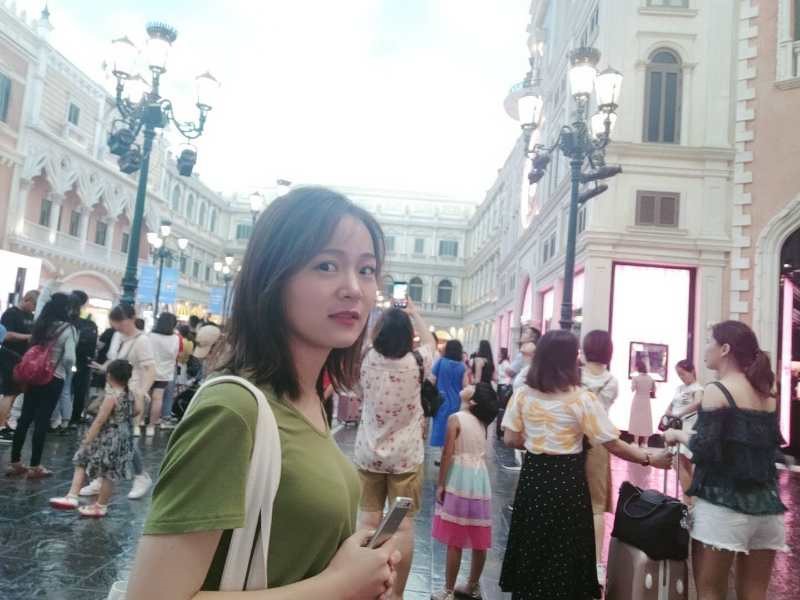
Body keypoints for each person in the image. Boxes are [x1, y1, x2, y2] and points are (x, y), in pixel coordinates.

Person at [126, 187, 401, 599]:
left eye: (366, 270)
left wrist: (354, 562)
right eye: (326, 265)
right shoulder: (232, 410)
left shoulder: (310, 399)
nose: (354, 288)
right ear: (272, 278)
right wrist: (343, 584)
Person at [500, 330, 672, 600]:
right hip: (568, 481)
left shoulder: (523, 395)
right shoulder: (581, 399)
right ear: (570, 359)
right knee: (565, 547)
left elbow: (510, 438)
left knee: (532, 543)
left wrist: (538, 440)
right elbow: (612, 443)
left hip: (534, 479)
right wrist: (649, 458)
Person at [664, 321, 787, 600]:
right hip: (767, 509)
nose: (705, 348)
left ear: (725, 349)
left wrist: (677, 434)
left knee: (710, 591)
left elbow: (705, 449)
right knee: (754, 593)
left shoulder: (717, 390)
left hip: (723, 507)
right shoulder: (767, 391)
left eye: (710, 341)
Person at [355, 300, 436, 600]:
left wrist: (375, 314)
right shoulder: (417, 362)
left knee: (367, 522)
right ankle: (397, 594)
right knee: (402, 527)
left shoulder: (365, 356)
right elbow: (430, 343)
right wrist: (414, 314)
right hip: (406, 458)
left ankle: (364, 588)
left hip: (368, 454)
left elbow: (363, 338)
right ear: (407, 336)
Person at [431, 383, 498, 600]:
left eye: (473, 387)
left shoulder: (456, 418)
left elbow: (447, 454)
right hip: (479, 480)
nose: (468, 385)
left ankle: (448, 590)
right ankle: (472, 586)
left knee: (455, 537)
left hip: (459, 479)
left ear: (473, 400)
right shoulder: (482, 422)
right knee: (479, 536)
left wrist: (441, 484)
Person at [49, 359, 136, 517]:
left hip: (107, 436)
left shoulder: (111, 396)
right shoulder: (129, 395)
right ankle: (100, 505)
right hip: (122, 438)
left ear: (109, 375)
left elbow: (99, 420)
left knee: (82, 458)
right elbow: (137, 411)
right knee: (110, 473)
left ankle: (74, 496)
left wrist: (87, 439)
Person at [87, 303, 154, 500]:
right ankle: (100, 479)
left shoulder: (142, 341)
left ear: (132, 318)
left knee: (125, 438)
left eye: (121, 323)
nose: (118, 327)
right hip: (114, 392)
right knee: (107, 436)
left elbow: (150, 369)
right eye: (115, 324)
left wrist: (141, 392)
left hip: (129, 396)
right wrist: (103, 368)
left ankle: (141, 476)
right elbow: (117, 362)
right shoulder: (119, 337)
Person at [6, 293, 77, 479]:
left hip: (33, 376)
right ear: (66, 309)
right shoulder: (68, 329)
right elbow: (69, 358)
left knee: (25, 417)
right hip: (54, 377)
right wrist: (67, 369)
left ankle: (15, 462)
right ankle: (35, 466)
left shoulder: (40, 324)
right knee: (42, 421)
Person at [580, 329, 620, 584]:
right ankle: (596, 565)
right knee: (596, 507)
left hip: (573, 440)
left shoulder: (575, 377)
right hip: (600, 442)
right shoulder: (612, 381)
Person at [0, 290, 38, 443]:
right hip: (9, 356)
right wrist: (28, 337)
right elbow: (5, 335)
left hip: (22, 359)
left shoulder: (31, 316)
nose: (34, 308)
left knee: (15, 393)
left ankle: (5, 422)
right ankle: (0, 427)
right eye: (34, 305)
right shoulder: (11, 314)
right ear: (27, 300)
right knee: (9, 393)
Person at [50, 290, 91, 431]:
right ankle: (65, 421)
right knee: (66, 391)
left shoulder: (60, 321)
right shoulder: (80, 322)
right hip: (72, 362)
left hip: (57, 363)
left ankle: (53, 420)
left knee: (58, 391)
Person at [664, 358, 703, 500]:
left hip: (688, 426)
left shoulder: (697, 388)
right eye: (678, 374)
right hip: (675, 425)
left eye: (683, 373)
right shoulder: (679, 388)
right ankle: (690, 498)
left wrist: (680, 413)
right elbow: (672, 404)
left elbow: (698, 402)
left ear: (692, 371)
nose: (681, 377)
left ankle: (689, 499)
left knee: (679, 462)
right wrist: (668, 413)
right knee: (682, 464)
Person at [430, 340, 469, 462]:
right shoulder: (462, 366)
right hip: (456, 402)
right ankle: (451, 454)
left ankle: (443, 456)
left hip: (441, 401)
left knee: (441, 427)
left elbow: (432, 380)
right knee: (453, 428)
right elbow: (465, 385)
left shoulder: (441, 362)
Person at [147, 312, 180, 435]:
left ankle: (139, 423)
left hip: (149, 370)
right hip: (165, 372)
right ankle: (151, 427)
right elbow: (174, 355)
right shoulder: (175, 338)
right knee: (158, 399)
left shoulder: (151, 336)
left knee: (144, 396)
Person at [70, 293, 98, 427]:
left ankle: (60, 418)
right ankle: (75, 417)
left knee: (65, 390)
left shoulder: (68, 318)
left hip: (69, 358)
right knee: (80, 390)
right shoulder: (90, 321)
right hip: (84, 361)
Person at [629, 358, 655, 446]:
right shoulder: (650, 378)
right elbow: (653, 390)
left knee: (636, 420)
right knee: (646, 421)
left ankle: (636, 442)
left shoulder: (635, 378)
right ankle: (645, 443)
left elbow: (632, 389)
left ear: (637, 367)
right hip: (646, 401)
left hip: (637, 401)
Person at [496, 347, 512, 439]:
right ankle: (500, 430)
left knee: (502, 408)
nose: (498, 353)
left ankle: (500, 430)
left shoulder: (505, 363)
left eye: (499, 352)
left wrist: (500, 375)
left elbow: (508, 374)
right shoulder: (502, 362)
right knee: (501, 408)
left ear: (503, 353)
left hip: (504, 385)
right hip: (501, 384)